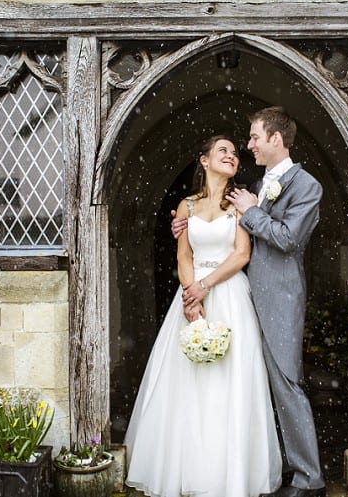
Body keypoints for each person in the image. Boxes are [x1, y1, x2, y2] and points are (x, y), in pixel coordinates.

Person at [175, 107, 326, 497]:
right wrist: (184, 224)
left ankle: (310, 480)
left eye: (255, 137)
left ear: (277, 139)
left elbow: (289, 238)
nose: (248, 145)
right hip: (243, 297)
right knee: (244, 384)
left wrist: (253, 211)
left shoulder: (306, 185)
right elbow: (228, 228)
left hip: (277, 298)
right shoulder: (258, 184)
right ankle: (229, 464)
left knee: (286, 384)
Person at [125, 135, 281, 497]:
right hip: (191, 296)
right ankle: (189, 468)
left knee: (231, 382)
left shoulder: (240, 204)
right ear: (205, 160)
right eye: (222, 151)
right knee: (187, 384)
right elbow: (183, 256)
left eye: (234, 153)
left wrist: (205, 286)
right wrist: (190, 296)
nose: (231, 156)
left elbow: (241, 254)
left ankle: (230, 474)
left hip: (228, 294)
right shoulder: (186, 207)